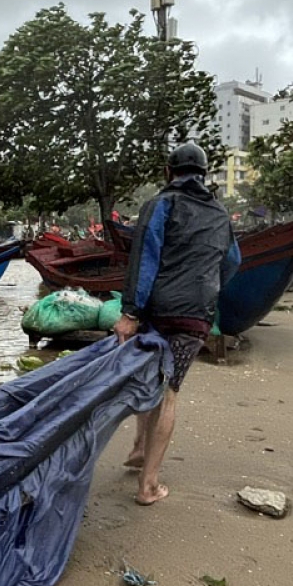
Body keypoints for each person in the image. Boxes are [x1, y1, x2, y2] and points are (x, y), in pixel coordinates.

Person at [114, 135, 240, 505]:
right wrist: (208, 289)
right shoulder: (219, 213)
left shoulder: (161, 203)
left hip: (159, 310)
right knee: (169, 391)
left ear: (169, 172)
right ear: (204, 175)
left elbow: (145, 258)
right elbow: (232, 261)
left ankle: (147, 481)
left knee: (152, 380)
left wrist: (129, 312)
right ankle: (144, 464)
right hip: (196, 316)